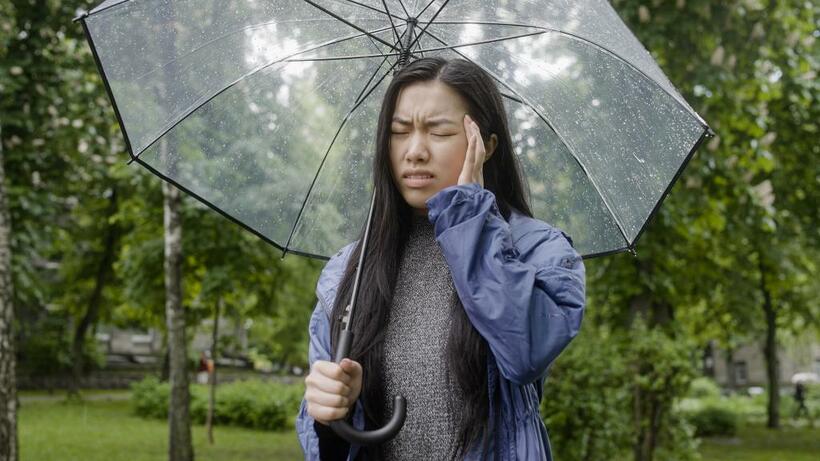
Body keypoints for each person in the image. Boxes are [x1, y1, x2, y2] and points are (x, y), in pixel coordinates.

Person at [296, 57, 586, 460]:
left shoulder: (539, 251)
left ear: (486, 146)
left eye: (439, 131)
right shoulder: (346, 272)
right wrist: (329, 417)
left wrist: (469, 215)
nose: (414, 151)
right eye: (399, 132)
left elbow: (525, 351)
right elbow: (325, 445)